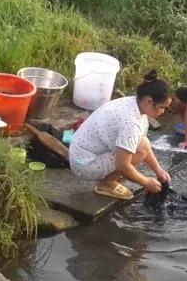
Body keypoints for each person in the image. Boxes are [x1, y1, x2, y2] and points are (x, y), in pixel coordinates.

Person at [69, 71, 173, 200]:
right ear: (149, 101)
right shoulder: (131, 122)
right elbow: (122, 165)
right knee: (138, 151)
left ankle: (110, 177)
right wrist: (146, 182)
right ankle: (107, 183)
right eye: (162, 107)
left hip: (81, 152)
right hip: (84, 164)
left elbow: (143, 145)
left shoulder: (134, 104)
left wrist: (158, 170)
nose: (163, 112)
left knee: (142, 144)